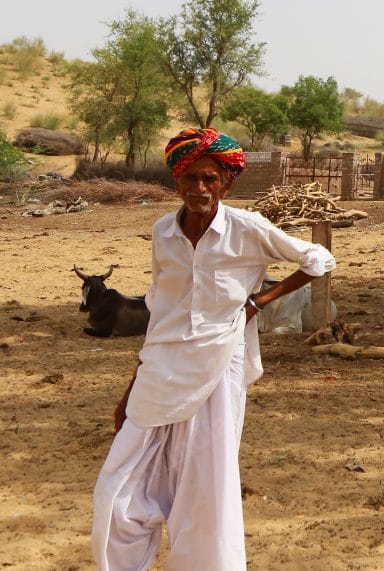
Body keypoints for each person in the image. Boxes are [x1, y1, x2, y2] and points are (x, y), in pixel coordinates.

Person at [92, 127, 337, 570]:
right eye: (191, 178)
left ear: (226, 185)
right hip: (162, 365)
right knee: (119, 489)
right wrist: (132, 385)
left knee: (206, 488)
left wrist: (259, 302)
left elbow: (317, 258)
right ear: (177, 181)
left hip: (220, 363)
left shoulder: (247, 228)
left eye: (210, 179)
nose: (200, 188)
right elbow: (161, 308)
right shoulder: (163, 231)